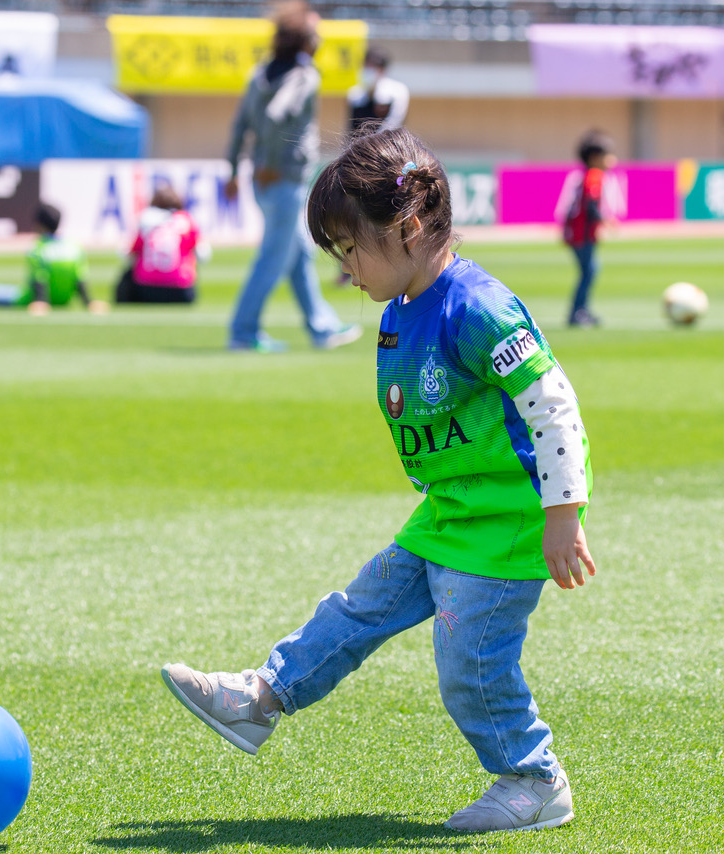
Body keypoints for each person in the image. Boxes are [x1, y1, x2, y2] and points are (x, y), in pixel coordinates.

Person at [161, 128, 595, 834]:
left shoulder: (477, 306)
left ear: (411, 226)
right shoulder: (399, 311)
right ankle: (260, 698)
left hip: (505, 523)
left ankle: (534, 777)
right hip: (448, 513)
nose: (345, 268)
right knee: (357, 609)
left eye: (351, 247)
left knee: (469, 665)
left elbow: (552, 402)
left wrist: (563, 511)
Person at [223, 0, 361, 352]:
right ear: (304, 40)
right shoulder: (304, 76)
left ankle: (323, 328)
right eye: (315, 34)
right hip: (284, 178)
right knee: (273, 258)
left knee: (300, 254)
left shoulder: (258, 74)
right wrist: (270, 159)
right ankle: (243, 330)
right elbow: (275, 115)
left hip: (263, 179)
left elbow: (241, 125)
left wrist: (235, 168)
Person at [0, 202, 108, 315]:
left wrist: (41, 302)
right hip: (64, 300)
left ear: (39, 224)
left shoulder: (38, 248)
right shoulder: (74, 247)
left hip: (34, 300)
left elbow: (39, 278)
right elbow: (79, 279)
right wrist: (89, 303)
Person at [559, 130, 618, 327]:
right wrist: (605, 221)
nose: (612, 160)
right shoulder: (594, 176)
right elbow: (591, 206)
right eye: (607, 156)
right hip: (581, 235)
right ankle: (577, 312)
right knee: (589, 271)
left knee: (589, 271)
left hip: (578, 233)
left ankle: (581, 310)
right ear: (595, 158)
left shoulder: (586, 175)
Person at [114, 185, 200, 305]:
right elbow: (203, 255)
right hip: (182, 292)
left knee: (129, 270)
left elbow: (127, 253)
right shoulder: (186, 220)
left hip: (147, 289)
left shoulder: (146, 219)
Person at [347, 45, 410, 133]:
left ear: (382, 69)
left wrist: (376, 141)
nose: (369, 70)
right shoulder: (355, 93)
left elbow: (395, 121)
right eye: (366, 66)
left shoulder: (397, 91)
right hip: (361, 143)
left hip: (386, 142)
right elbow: (351, 126)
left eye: (373, 66)